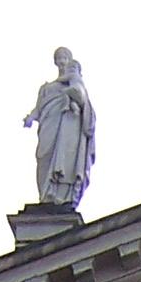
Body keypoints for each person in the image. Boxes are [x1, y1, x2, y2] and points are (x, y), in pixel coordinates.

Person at [23, 47, 96, 209]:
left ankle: (62, 197)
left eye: (64, 57)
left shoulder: (75, 81)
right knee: (44, 156)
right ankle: (46, 195)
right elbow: (39, 108)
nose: (62, 60)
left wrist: (74, 93)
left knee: (65, 158)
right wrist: (30, 118)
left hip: (68, 124)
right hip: (49, 123)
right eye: (59, 57)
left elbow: (81, 98)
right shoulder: (47, 88)